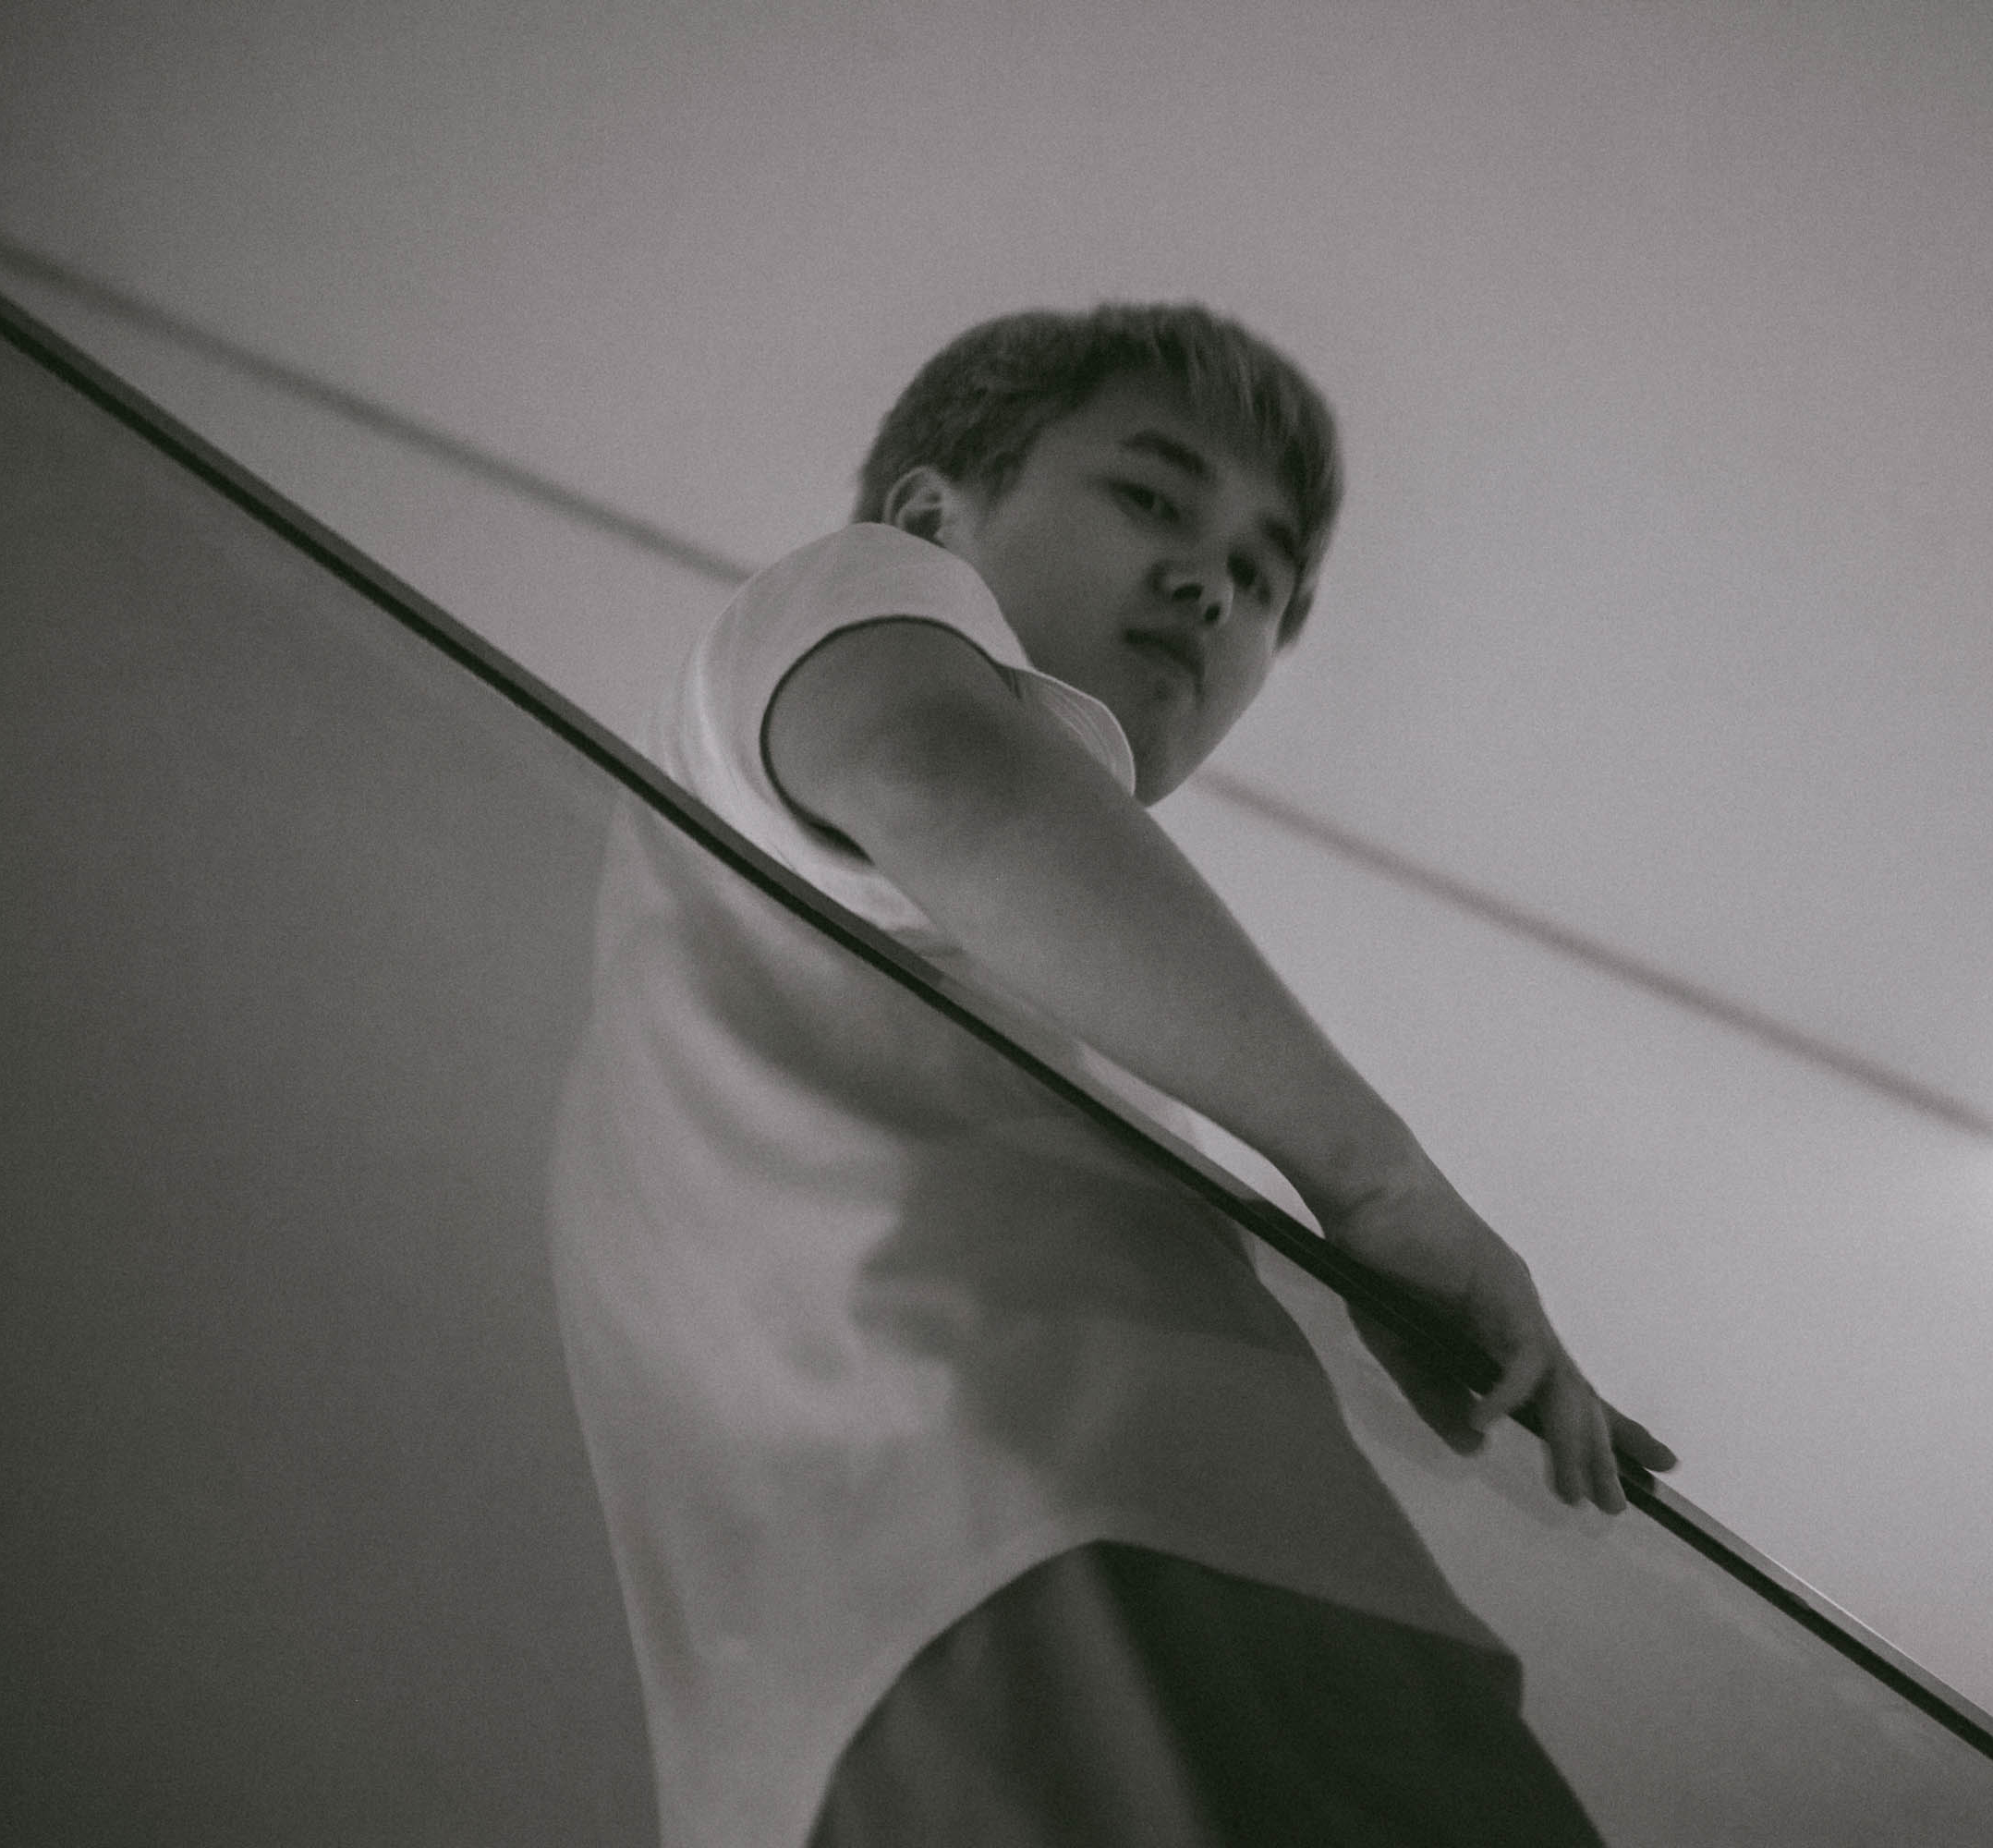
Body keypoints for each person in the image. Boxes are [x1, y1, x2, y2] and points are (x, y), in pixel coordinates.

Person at [550, 303, 1669, 1847]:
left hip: (979, 1627)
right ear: (931, 518)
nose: (1215, 586)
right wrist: (1377, 1185)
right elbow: (936, 769)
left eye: (1265, 580)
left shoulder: (897, 1008)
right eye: (1152, 496)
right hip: (1060, 1566)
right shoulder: (842, 599)